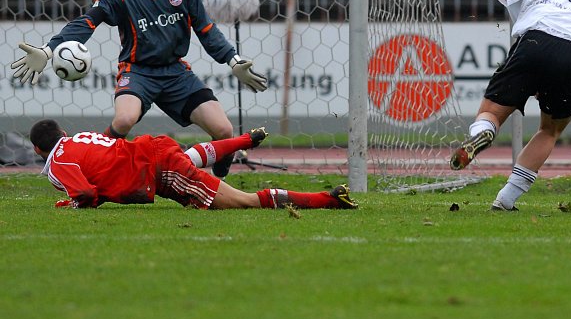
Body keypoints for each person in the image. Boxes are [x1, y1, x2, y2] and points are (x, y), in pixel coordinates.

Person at [11, 0, 267, 179]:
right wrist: (47, 50)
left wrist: (232, 60)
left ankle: (218, 181)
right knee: (124, 120)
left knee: (224, 130)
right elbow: (86, 23)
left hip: (176, 73)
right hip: (138, 72)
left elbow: (206, 28)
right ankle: (93, 168)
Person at [426, 0, 571, 211]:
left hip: (534, 41)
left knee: (491, 114)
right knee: (549, 130)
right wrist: (554, 75)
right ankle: (505, 200)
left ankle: (483, 132)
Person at [29, 119, 357, 210]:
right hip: (153, 150)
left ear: (37, 149)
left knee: (243, 203)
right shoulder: (80, 137)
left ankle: (328, 199)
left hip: (155, 170)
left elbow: (85, 191)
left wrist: (74, 202)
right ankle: (245, 139)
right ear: (63, 132)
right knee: (190, 158)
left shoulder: (58, 161)